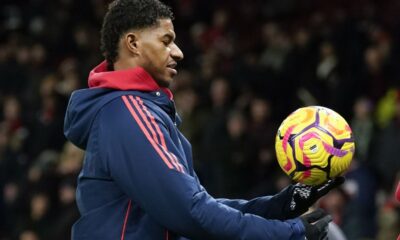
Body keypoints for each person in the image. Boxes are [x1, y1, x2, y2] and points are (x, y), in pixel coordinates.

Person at [63, 0, 344, 239]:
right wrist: (290, 232)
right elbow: (191, 213)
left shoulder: (135, 112)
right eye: (166, 41)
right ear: (133, 44)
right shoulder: (129, 114)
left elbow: (201, 207)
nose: (178, 52)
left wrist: (281, 206)